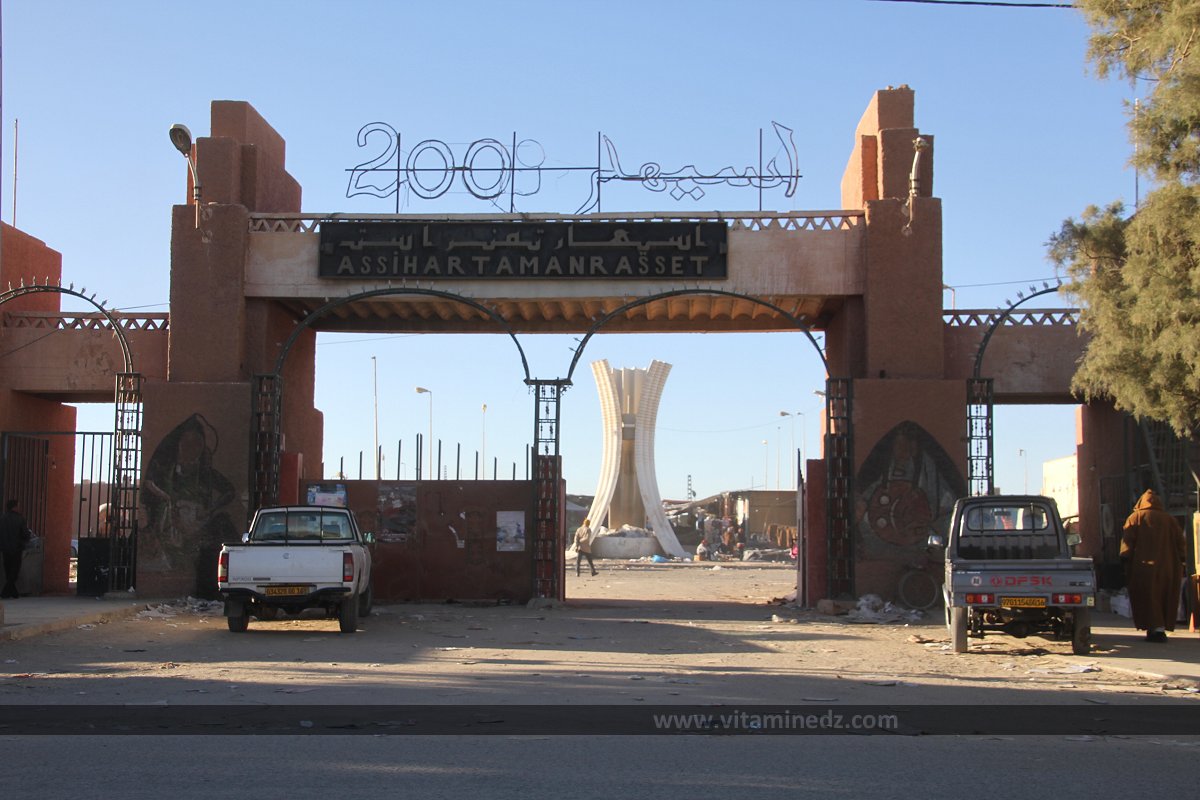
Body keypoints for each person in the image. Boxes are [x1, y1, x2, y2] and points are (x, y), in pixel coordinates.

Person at [1120, 489, 1186, 643]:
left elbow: (1127, 543)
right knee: (1164, 597)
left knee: (1148, 598)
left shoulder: (1135, 518)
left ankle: (1153, 629)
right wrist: (1182, 561)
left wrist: (1124, 559)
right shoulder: (1170, 520)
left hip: (1143, 569)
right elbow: (1181, 544)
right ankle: (1160, 629)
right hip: (1168, 568)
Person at [0, 499, 33, 599]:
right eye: (18, 505)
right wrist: (28, 537)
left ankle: (14, 593)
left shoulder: (2, 518)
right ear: (14, 507)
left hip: (5, 549)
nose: (20, 508)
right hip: (16, 549)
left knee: (8, 571)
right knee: (14, 572)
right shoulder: (20, 519)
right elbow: (25, 534)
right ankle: (5, 592)